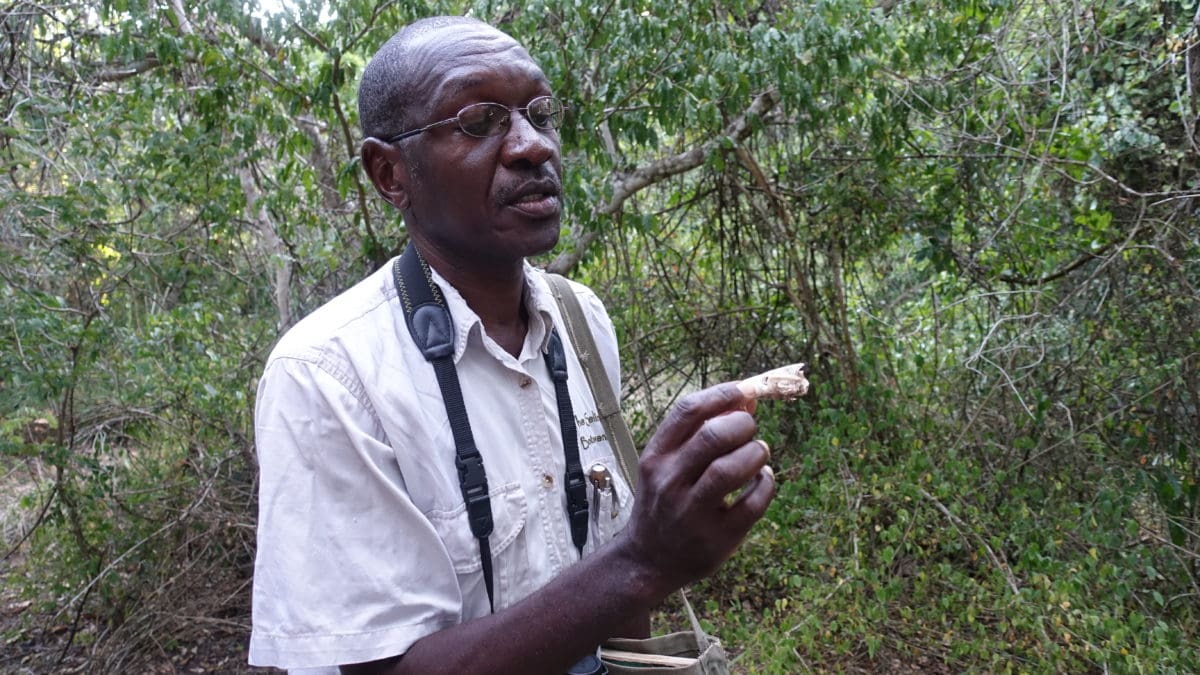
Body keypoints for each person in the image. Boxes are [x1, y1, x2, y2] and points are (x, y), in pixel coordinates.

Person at [249, 15, 776, 675]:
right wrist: (645, 559)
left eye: (541, 114)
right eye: (479, 121)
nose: (533, 146)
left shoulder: (580, 319)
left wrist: (642, 564)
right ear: (390, 173)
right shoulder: (329, 374)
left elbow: (616, 599)